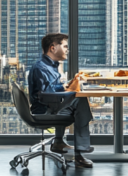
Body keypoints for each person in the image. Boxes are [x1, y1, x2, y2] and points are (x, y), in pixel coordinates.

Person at [26, 33, 95, 168]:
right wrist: (68, 90)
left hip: (50, 106)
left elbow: (51, 89)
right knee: (79, 101)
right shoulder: (41, 68)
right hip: (44, 110)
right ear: (53, 48)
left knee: (76, 100)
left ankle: (59, 141)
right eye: (64, 46)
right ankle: (80, 153)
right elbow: (46, 95)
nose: (67, 50)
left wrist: (67, 85)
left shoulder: (50, 66)